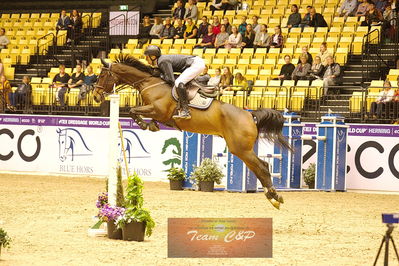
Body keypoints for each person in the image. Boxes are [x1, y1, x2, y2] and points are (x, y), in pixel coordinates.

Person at [144, 45, 206, 119]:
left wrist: (160, 75)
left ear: (153, 57)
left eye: (147, 57)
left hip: (195, 64)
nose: (146, 59)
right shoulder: (160, 61)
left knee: (178, 82)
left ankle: (185, 110)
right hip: (194, 63)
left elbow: (170, 80)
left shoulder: (162, 61)